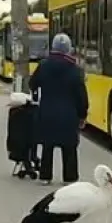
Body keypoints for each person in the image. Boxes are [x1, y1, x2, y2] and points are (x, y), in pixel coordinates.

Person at [29, 32, 88, 185]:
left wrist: (37, 94)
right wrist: (82, 115)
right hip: (69, 115)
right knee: (69, 148)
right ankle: (69, 178)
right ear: (68, 49)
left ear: (53, 48)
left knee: (47, 146)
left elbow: (32, 83)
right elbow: (81, 95)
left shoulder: (43, 65)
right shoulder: (75, 69)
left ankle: (45, 176)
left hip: (47, 112)